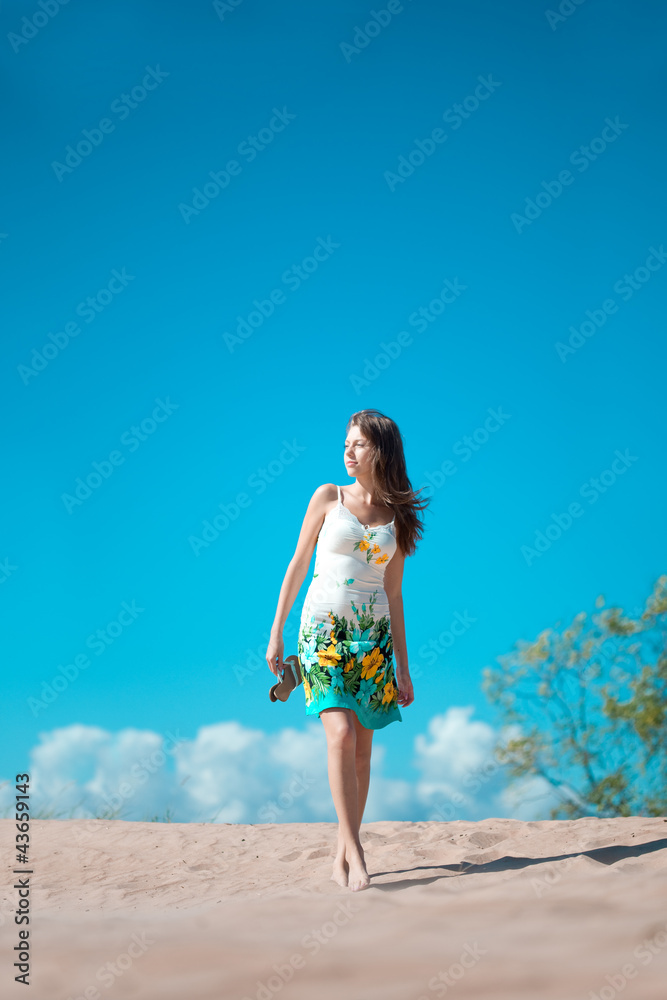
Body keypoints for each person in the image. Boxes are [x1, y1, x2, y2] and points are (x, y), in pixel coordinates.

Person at [266, 409, 429, 891]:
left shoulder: (397, 519)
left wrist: (403, 667)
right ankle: (356, 849)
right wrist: (276, 632)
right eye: (346, 443)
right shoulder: (327, 497)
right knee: (339, 735)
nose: (348, 451)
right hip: (321, 634)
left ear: (381, 449)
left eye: (358, 443)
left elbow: (395, 596)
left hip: (372, 641)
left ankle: (342, 848)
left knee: (362, 753)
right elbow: (297, 565)